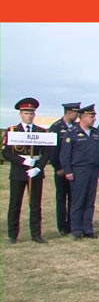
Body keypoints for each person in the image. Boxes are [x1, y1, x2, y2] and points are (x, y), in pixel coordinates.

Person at [3, 97, 50, 244]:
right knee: (15, 203)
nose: (28, 115)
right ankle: (12, 234)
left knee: (35, 204)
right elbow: (6, 153)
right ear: (20, 114)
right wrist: (23, 161)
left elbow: (47, 152)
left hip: (35, 171)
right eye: (25, 112)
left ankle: (36, 234)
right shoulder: (13, 131)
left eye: (31, 113)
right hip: (18, 171)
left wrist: (38, 167)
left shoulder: (41, 132)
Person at [61, 104, 99, 240]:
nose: (94, 119)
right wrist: (68, 170)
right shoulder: (72, 133)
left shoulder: (96, 133)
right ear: (84, 117)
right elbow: (65, 155)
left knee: (89, 201)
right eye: (92, 116)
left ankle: (88, 229)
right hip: (79, 170)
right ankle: (76, 230)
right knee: (78, 201)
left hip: (93, 170)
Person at [48, 101, 80, 236]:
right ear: (69, 112)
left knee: (74, 198)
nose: (77, 115)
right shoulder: (56, 127)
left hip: (74, 169)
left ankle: (73, 224)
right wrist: (58, 167)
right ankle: (62, 226)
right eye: (76, 112)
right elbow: (52, 150)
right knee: (61, 197)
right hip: (61, 170)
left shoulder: (77, 127)